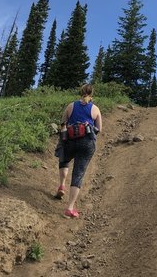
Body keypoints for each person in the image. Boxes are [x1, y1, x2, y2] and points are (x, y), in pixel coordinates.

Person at [55, 83, 102, 218]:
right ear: (92, 94)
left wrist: (65, 137)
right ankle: (69, 208)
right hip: (86, 143)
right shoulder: (95, 109)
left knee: (64, 161)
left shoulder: (71, 106)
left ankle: (62, 185)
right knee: (78, 174)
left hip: (70, 140)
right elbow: (99, 129)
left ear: (80, 92)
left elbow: (63, 123)